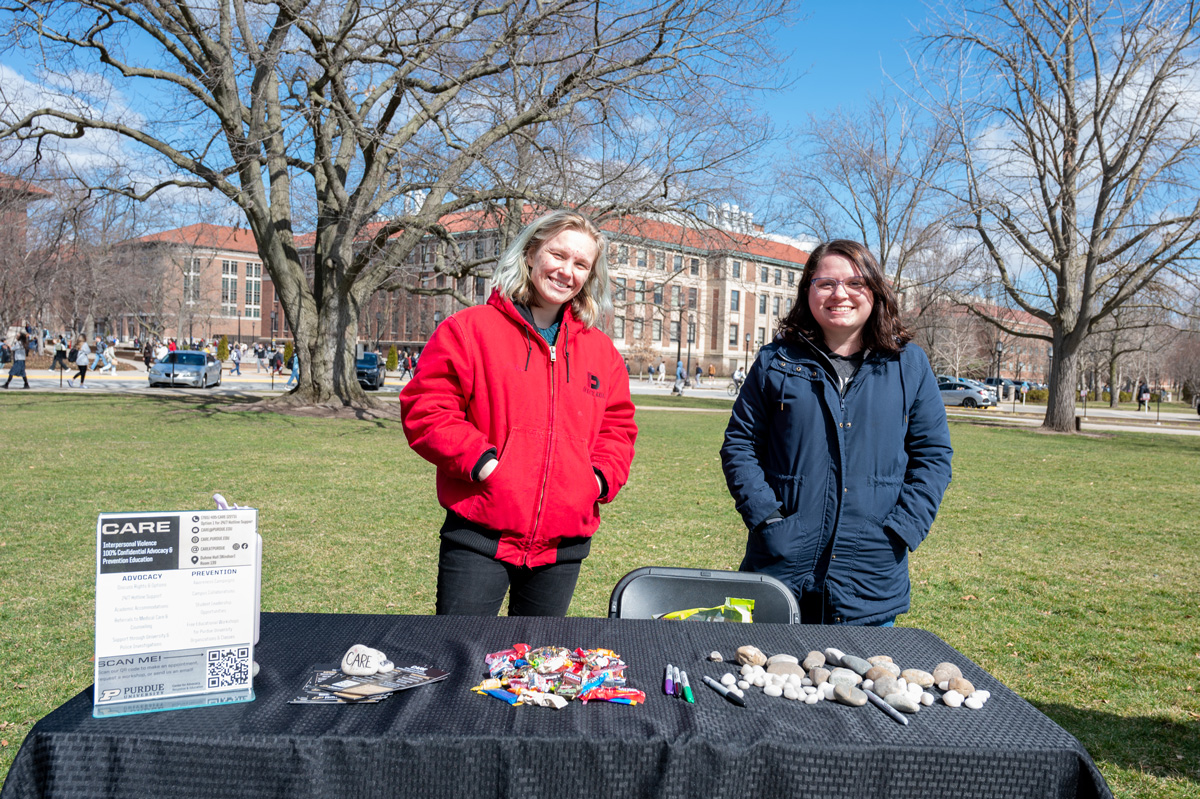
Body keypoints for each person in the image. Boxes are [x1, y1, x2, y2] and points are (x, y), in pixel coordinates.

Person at [400, 210, 637, 617]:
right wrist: (484, 465)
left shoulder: (602, 353)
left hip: (561, 548)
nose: (567, 272)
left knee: (538, 668)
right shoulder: (469, 330)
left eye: (581, 264)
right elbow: (427, 407)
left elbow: (618, 429)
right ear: (530, 253)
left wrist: (596, 480)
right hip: (480, 535)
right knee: (462, 655)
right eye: (558, 256)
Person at [721, 239, 953, 626]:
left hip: (870, 572)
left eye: (855, 283)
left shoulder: (907, 364)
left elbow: (932, 455)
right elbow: (740, 444)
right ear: (808, 290)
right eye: (825, 282)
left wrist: (901, 530)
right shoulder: (776, 362)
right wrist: (767, 519)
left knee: (857, 686)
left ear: (875, 291)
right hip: (781, 567)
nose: (839, 294)